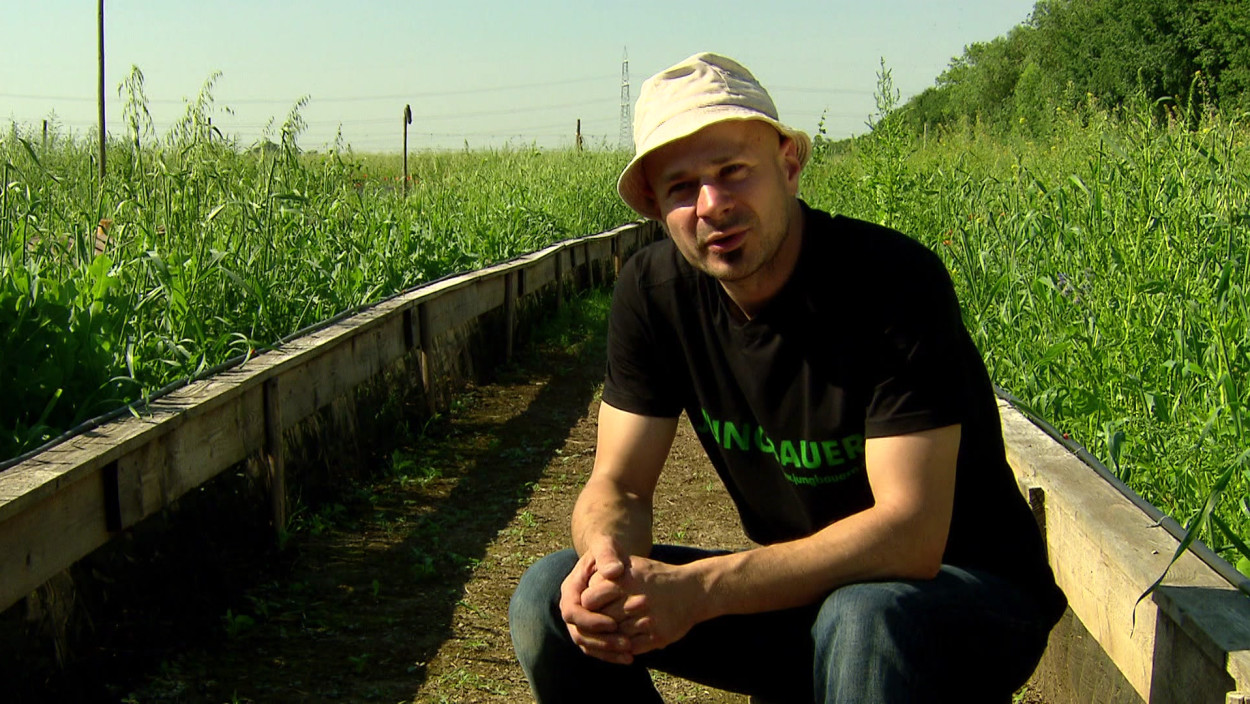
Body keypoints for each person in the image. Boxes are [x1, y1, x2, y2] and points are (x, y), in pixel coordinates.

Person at [509, 52, 1066, 704]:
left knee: (863, 615)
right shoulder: (652, 293)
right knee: (552, 593)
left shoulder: (891, 284)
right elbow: (621, 485)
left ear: (789, 167)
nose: (711, 205)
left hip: (963, 598)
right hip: (808, 600)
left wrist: (701, 591)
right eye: (682, 188)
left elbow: (910, 535)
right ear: (658, 208)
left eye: (732, 173)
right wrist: (609, 562)